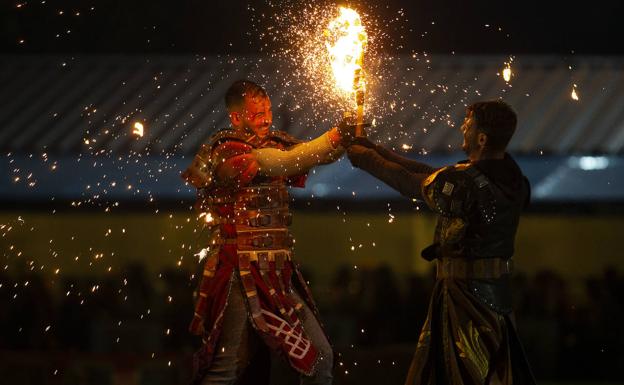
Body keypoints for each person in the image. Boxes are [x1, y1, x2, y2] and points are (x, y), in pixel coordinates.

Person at [346, 100, 537, 384]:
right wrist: (374, 149)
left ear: (482, 138)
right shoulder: (513, 179)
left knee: (461, 375)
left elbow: (411, 184)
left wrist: (364, 159)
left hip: (465, 299)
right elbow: (428, 175)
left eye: (468, 124)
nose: (463, 127)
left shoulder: (466, 182)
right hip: (495, 296)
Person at [182, 79, 351, 385]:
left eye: (269, 111)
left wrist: (351, 136)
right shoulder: (224, 149)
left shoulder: (275, 141)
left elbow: (318, 154)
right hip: (238, 270)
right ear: (237, 118)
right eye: (257, 114)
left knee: (321, 357)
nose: (266, 119)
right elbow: (286, 162)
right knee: (227, 367)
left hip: (276, 274)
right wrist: (335, 135)